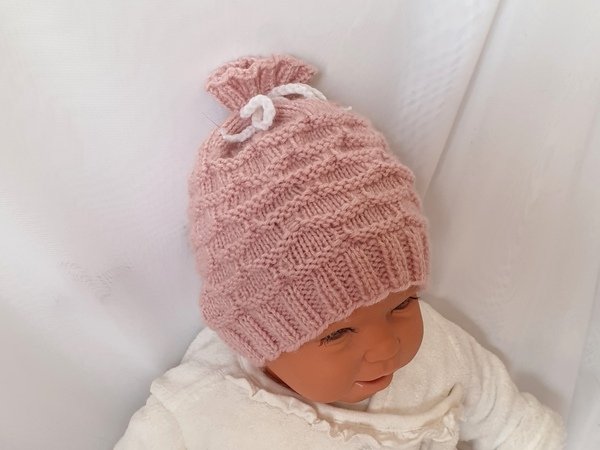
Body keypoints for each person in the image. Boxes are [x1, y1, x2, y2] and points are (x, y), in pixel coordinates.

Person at [114, 54, 565, 449]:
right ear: (257, 340)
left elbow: (515, 425)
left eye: (403, 304)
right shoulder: (200, 409)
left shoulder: (440, 353)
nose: (386, 345)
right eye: (337, 334)